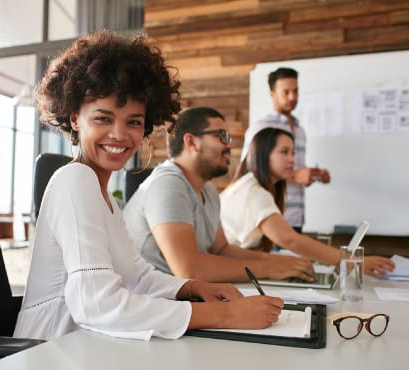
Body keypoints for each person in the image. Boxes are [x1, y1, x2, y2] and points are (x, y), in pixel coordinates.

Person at [13, 30, 284, 341]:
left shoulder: (104, 196)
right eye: (103, 118)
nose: (119, 134)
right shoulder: (75, 180)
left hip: (90, 344)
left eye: (133, 122)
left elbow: (136, 276)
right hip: (51, 350)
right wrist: (225, 315)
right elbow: (96, 303)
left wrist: (192, 288)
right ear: (75, 118)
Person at [123, 106, 315, 284]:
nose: (230, 143)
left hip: (179, 299)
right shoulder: (167, 185)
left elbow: (221, 250)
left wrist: (279, 261)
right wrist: (267, 268)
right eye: (221, 136)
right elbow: (190, 270)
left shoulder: (208, 191)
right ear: (191, 142)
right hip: (150, 305)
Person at [221, 127, 395, 277]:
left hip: (234, 268)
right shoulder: (253, 192)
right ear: (263, 154)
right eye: (284, 152)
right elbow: (290, 240)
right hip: (226, 272)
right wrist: (352, 261)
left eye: (293, 153)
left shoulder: (252, 185)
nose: (292, 159)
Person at [241, 67, 330, 233]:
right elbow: (247, 170)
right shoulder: (261, 127)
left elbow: (291, 170)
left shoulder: (300, 130)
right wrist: (295, 175)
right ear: (272, 94)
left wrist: (312, 176)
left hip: (296, 217)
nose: (293, 97)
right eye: (286, 92)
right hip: (269, 216)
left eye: (296, 91)